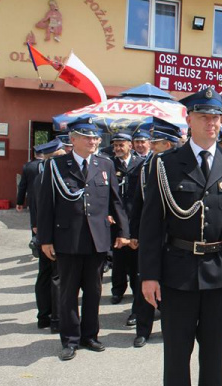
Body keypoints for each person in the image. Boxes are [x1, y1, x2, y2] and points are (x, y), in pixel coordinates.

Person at [139, 88, 222, 386]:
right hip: (177, 275)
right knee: (176, 360)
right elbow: (151, 228)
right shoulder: (165, 164)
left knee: (214, 361)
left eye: (216, 117)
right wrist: (149, 276)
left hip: (221, 274)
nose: (212, 123)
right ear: (188, 119)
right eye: (204, 117)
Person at [37, 116, 130, 361]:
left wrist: (123, 232)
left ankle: (90, 335)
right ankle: (70, 340)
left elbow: (115, 201)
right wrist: (45, 240)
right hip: (67, 239)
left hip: (97, 239)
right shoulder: (56, 166)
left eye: (96, 137)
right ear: (73, 139)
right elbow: (46, 206)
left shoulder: (105, 164)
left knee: (94, 290)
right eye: (88, 137)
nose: (93, 141)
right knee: (68, 293)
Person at [128, 118, 181, 348]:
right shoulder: (144, 167)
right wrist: (134, 233)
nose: (150, 145)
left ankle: (171, 329)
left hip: (173, 238)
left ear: (168, 144)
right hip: (151, 235)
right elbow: (136, 203)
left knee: (171, 287)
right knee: (145, 283)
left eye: (156, 143)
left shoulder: (179, 165)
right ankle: (143, 329)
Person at [28, 139, 65, 331]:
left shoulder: (39, 174)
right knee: (56, 276)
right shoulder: (50, 177)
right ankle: (56, 320)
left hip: (42, 232)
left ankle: (43, 316)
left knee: (44, 275)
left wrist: (36, 228)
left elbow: (34, 208)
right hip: (53, 234)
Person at [109, 133, 145, 326]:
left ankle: (137, 308)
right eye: (115, 145)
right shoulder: (108, 164)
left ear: (130, 146)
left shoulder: (141, 164)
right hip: (116, 222)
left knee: (136, 268)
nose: (117, 148)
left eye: (121, 145)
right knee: (118, 261)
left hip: (135, 221)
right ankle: (117, 290)